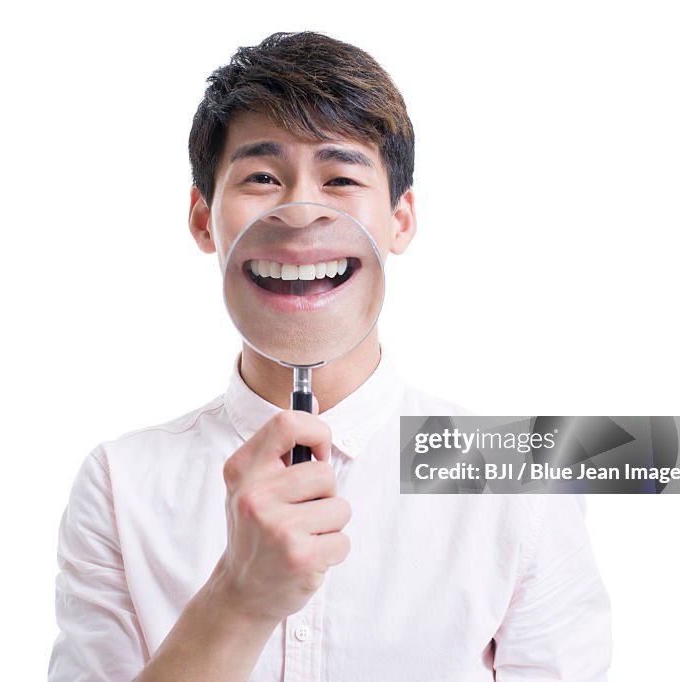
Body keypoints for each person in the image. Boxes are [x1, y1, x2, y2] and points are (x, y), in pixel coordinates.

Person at [48, 31, 612, 682]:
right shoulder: (121, 484)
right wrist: (238, 598)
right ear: (204, 219)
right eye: (262, 177)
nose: (299, 212)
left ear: (400, 220)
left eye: (340, 177)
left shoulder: (519, 480)